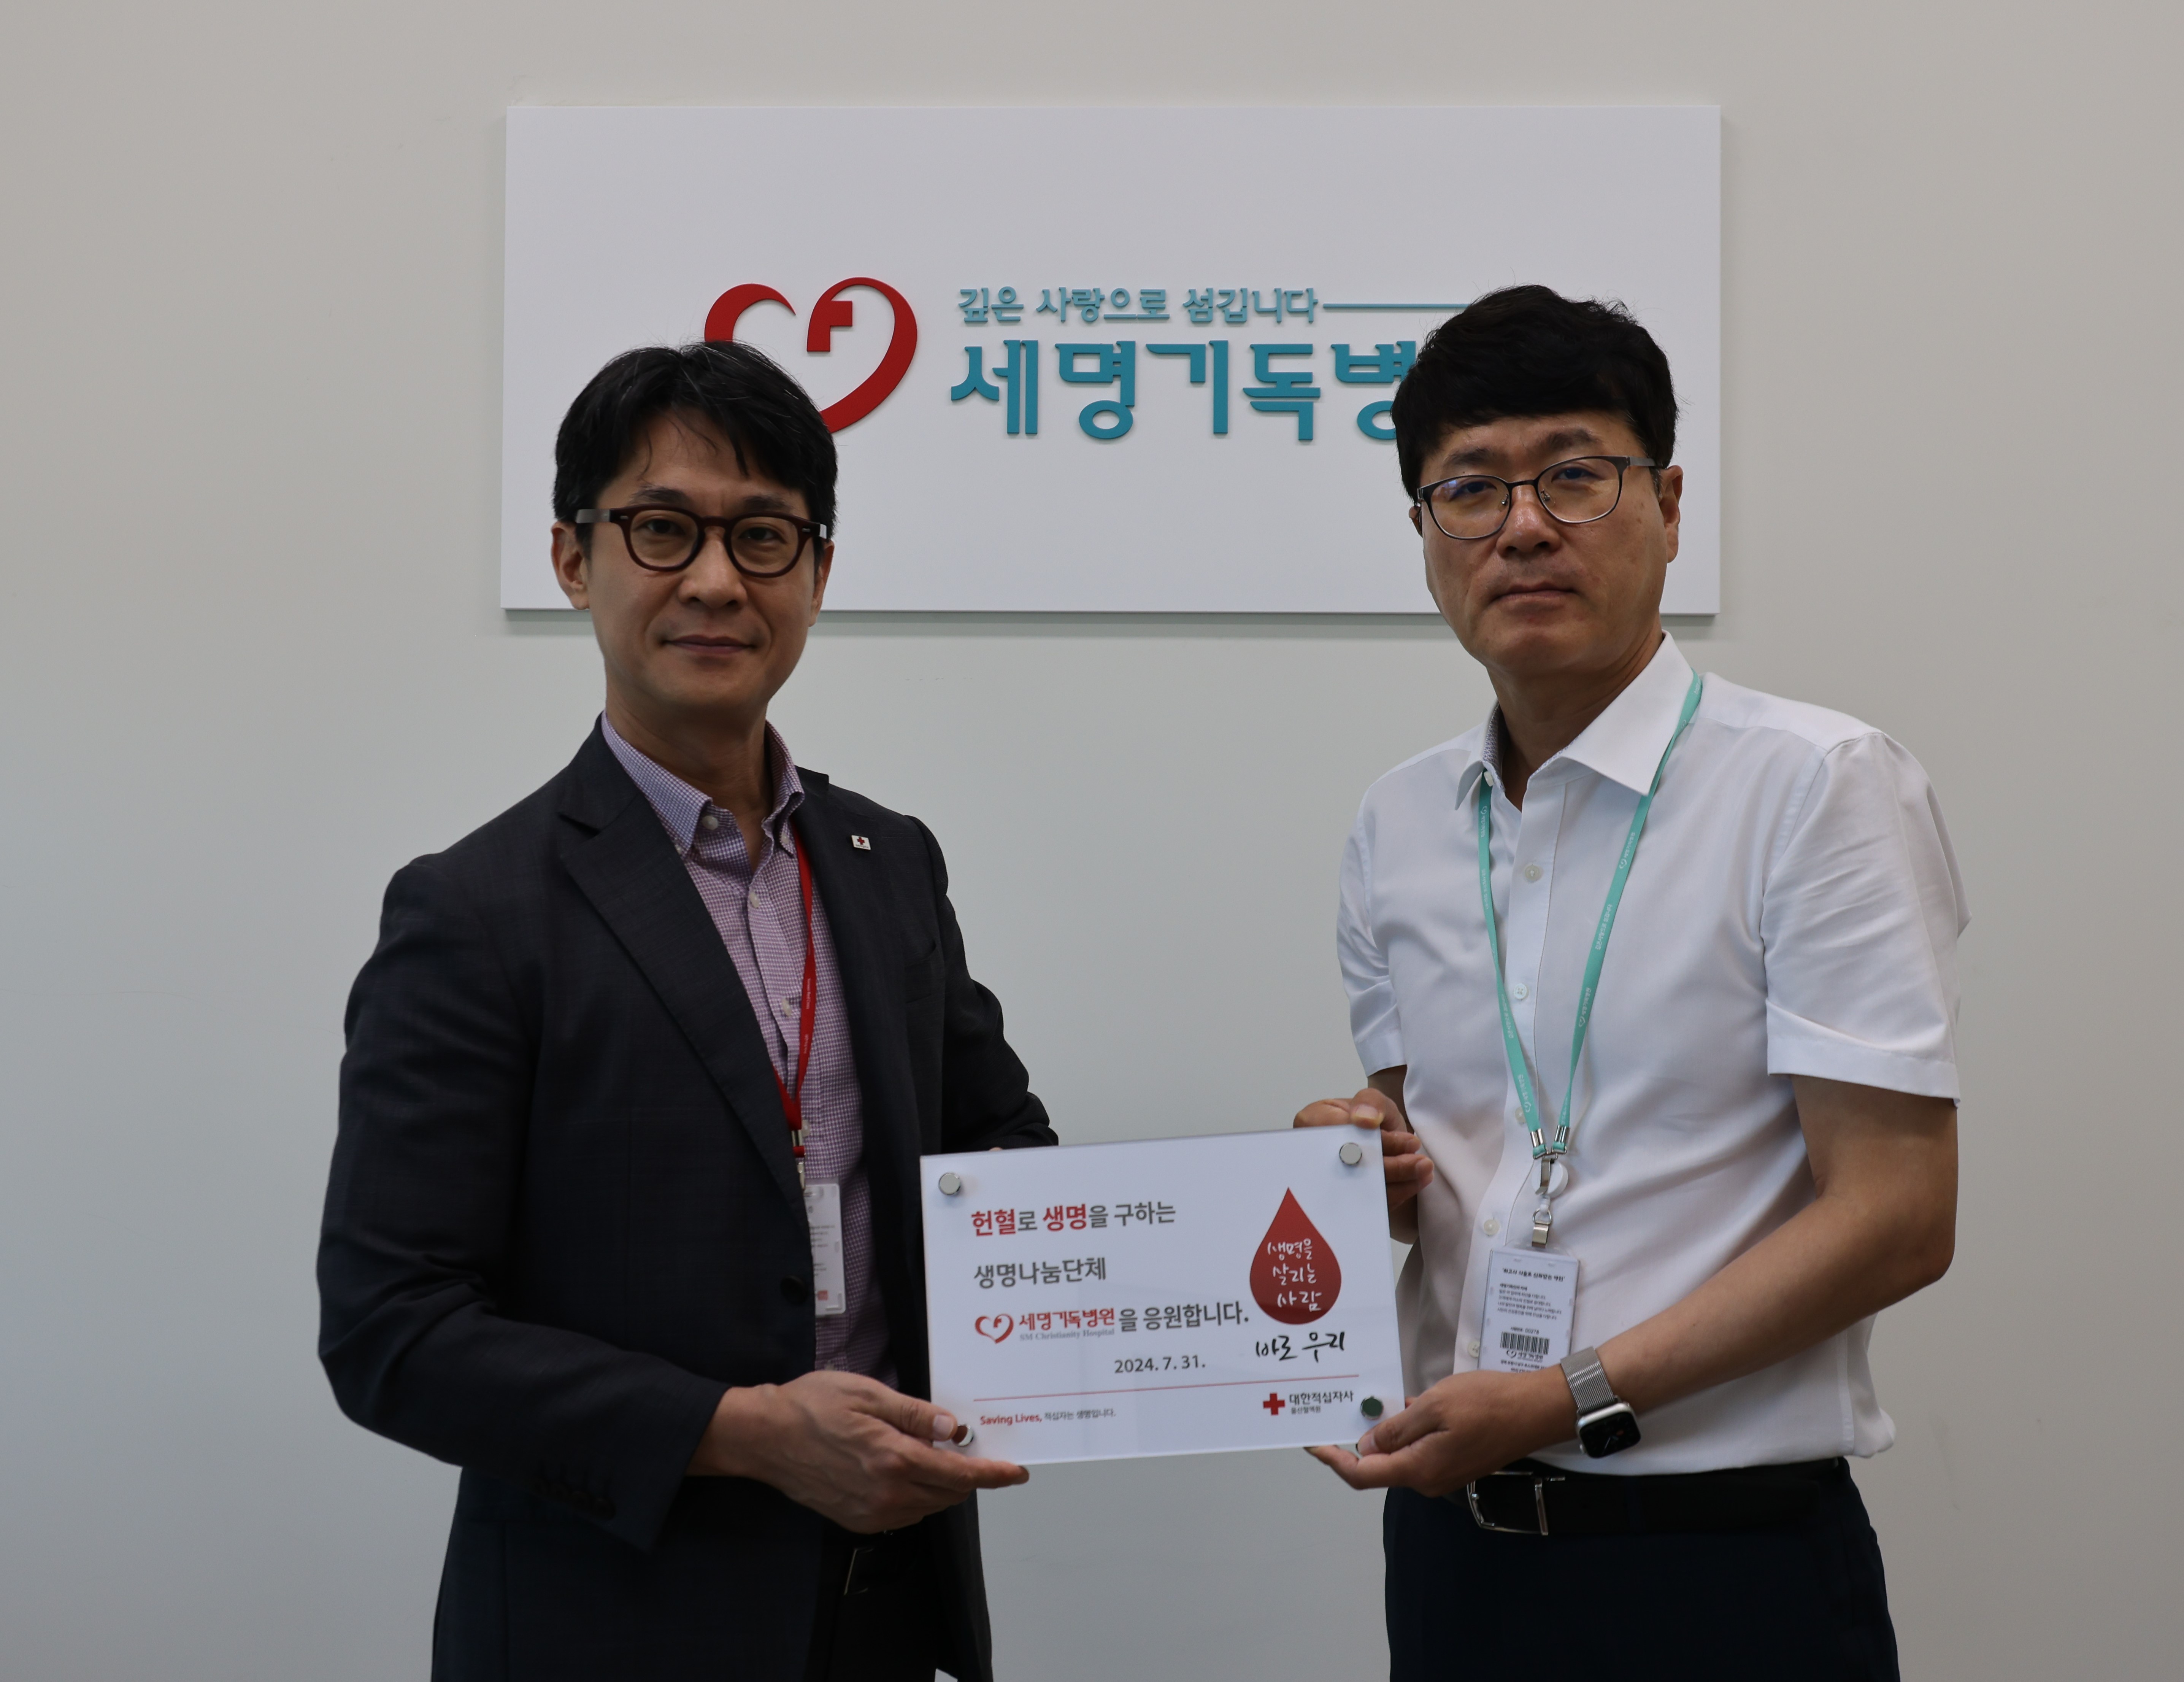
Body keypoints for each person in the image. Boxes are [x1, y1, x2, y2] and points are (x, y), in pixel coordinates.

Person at [319, 341, 1053, 1682]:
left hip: (884, 1608)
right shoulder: (474, 911)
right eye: (663, 529)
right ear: (572, 558)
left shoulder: (891, 864)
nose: (717, 580)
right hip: (609, 1624)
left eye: (764, 536)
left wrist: (1305, 1206)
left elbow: (1003, 1159)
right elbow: (393, 1331)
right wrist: (745, 1431)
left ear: (818, 573)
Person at [1294, 285, 1963, 1679]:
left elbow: (1898, 1218)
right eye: (1469, 489)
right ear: (1424, 532)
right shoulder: (1396, 821)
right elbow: (1434, 1167)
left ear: (1666, 502)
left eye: (1574, 476)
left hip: (1720, 1563)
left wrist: (1566, 1394)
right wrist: (1358, 1165)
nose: (1523, 526)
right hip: (1454, 1551)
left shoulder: (1815, 787)